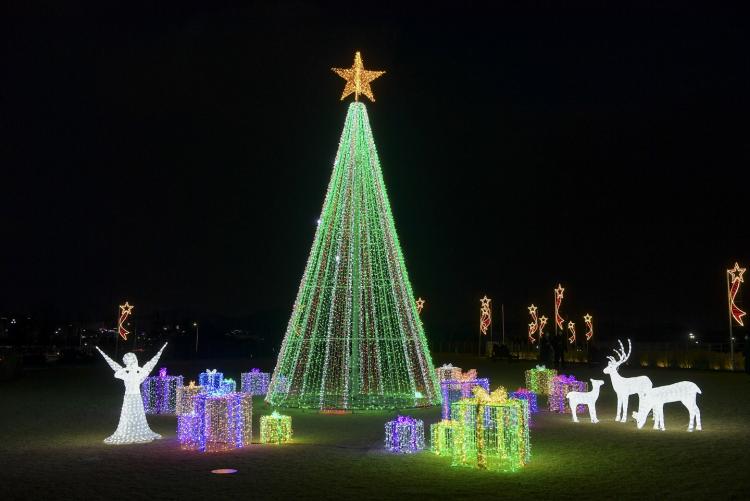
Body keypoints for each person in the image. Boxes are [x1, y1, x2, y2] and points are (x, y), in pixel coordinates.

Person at [96, 343, 167, 444]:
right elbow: (116, 374)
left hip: (137, 397)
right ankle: (127, 430)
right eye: (128, 362)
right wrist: (126, 369)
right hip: (128, 397)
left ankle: (138, 429)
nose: (130, 364)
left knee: (138, 415)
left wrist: (137, 368)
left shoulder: (138, 375)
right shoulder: (125, 375)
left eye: (131, 362)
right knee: (128, 415)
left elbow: (145, 372)